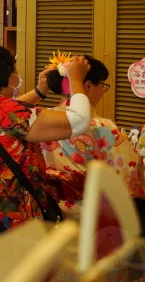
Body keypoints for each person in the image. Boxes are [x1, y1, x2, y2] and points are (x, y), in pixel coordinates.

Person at [0, 46, 91, 247]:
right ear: (8, 76)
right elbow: (79, 121)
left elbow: (7, 114)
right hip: (8, 219)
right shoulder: (4, 110)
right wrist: (76, 80)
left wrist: (40, 91)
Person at [42, 55, 145, 213]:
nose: (103, 91)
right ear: (88, 86)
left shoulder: (41, 119)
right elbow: (129, 177)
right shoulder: (104, 128)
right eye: (102, 85)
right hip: (92, 214)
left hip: (48, 211)